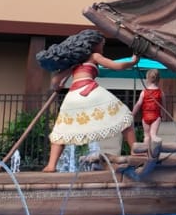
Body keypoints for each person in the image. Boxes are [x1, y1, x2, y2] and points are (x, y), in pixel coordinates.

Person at [36, 28, 139, 172]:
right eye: (102, 44)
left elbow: (55, 80)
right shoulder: (94, 56)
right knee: (125, 116)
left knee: (61, 131)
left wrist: (57, 87)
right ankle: (135, 152)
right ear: (94, 44)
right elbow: (117, 66)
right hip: (91, 91)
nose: (103, 47)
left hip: (72, 96)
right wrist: (132, 61)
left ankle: (51, 165)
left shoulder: (74, 62)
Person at [132, 68, 163, 147]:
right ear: (158, 79)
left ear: (147, 79)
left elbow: (138, 104)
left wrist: (132, 114)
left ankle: (145, 152)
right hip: (156, 116)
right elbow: (163, 106)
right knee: (153, 134)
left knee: (146, 136)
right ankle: (154, 151)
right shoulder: (161, 92)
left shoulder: (144, 92)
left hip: (145, 116)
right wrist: (162, 115)